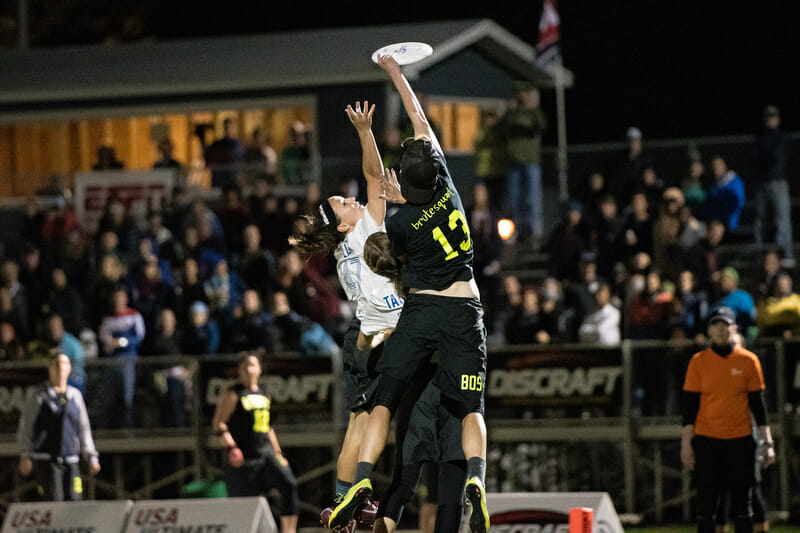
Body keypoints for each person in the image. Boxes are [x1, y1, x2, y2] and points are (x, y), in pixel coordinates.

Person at [328, 54, 489, 533]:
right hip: (464, 308)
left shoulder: (393, 228)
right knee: (471, 411)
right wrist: (398, 74)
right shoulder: (450, 190)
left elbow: (385, 248)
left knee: (381, 408)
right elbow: (419, 119)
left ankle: (359, 481)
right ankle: (477, 479)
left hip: (416, 315)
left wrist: (394, 201)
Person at [291, 100, 399, 520]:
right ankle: (357, 495)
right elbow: (375, 175)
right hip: (380, 335)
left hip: (361, 336)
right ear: (342, 223)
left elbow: (369, 180)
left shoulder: (345, 246)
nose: (351, 199)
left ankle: (341, 503)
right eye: (342, 202)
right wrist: (364, 130)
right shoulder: (366, 227)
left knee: (358, 425)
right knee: (376, 422)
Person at [681, 306, 776, 533]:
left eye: (726, 325)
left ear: (734, 329)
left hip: (740, 439)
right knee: (707, 507)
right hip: (707, 440)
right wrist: (686, 444)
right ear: (709, 330)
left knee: (743, 506)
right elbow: (689, 408)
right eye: (716, 325)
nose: (721, 330)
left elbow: (758, 406)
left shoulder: (748, 360)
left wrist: (767, 442)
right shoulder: (698, 361)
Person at [212, 353, 298, 533]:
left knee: (288, 483)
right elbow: (219, 424)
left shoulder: (264, 394)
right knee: (242, 506)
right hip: (244, 458)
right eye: (245, 366)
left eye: (252, 365)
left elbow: (268, 427)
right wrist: (231, 447)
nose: (249, 370)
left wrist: (278, 452)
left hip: (265, 452)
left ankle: (289, 530)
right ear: (240, 371)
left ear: (259, 369)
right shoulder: (233, 394)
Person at [17, 352, 100, 501]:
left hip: (70, 458)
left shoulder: (74, 395)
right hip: (46, 458)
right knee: (54, 500)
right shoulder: (39, 395)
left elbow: (83, 428)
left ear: (69, 369)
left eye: (64, 364)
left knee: (75, 498)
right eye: (57, 364)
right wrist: (25, 454)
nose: (60, 368)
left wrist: (91, 456)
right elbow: (26, 426)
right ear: (50, 368)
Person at [499, 81, 547, 244]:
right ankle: (514, 232)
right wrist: (509, 111)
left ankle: (533, 232)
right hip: (513, 161)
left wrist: (532, 106)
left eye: (523, 93)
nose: (520, 97)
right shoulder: (512, 113)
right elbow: (502, 129)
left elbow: (541, 126)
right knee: (513, 200)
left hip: (531, 160)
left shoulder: (533, 112)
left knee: (532, 199)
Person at [750, 105, 793, 264]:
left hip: (777, 181)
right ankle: (759, 252)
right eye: (768, 117)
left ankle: (785, 255)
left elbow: (776, 157)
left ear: (778, 119)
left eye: (773, 117)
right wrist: (764, 158)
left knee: (782, 219)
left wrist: (764, 157)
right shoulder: (759, 137)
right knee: (760, 219)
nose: (771, 120)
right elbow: (753, 158)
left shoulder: (780, 137)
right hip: (762, 181)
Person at [98, 288, 145, 428]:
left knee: (127, 397)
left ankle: (128, 428)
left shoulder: (135, 316)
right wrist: (110, 342)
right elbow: (104, 338)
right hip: (112, 362)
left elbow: (139, 337)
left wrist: (120, 342)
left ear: (126, 300)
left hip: (128, 360)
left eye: (121, 298)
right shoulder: (107, 319)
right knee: (110, 397)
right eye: (116, 299)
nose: (118, 302)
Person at [703, 156, 746, 232]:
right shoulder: (713, 187)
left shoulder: (735, 182)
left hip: (729, 223)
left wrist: (720, 221)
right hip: (713, 222)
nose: (715, 168)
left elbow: (738, 202)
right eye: (713, 166)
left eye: (718, 165)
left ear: (725, 166)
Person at [204, 117, 245, 188]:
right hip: (219, 181)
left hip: (234, 180)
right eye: (226, 128)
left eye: (231, 127)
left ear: (235, 128)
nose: (228, 130)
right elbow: (210, 162)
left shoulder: (240, 145)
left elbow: (242, 164)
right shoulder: (217, 145)